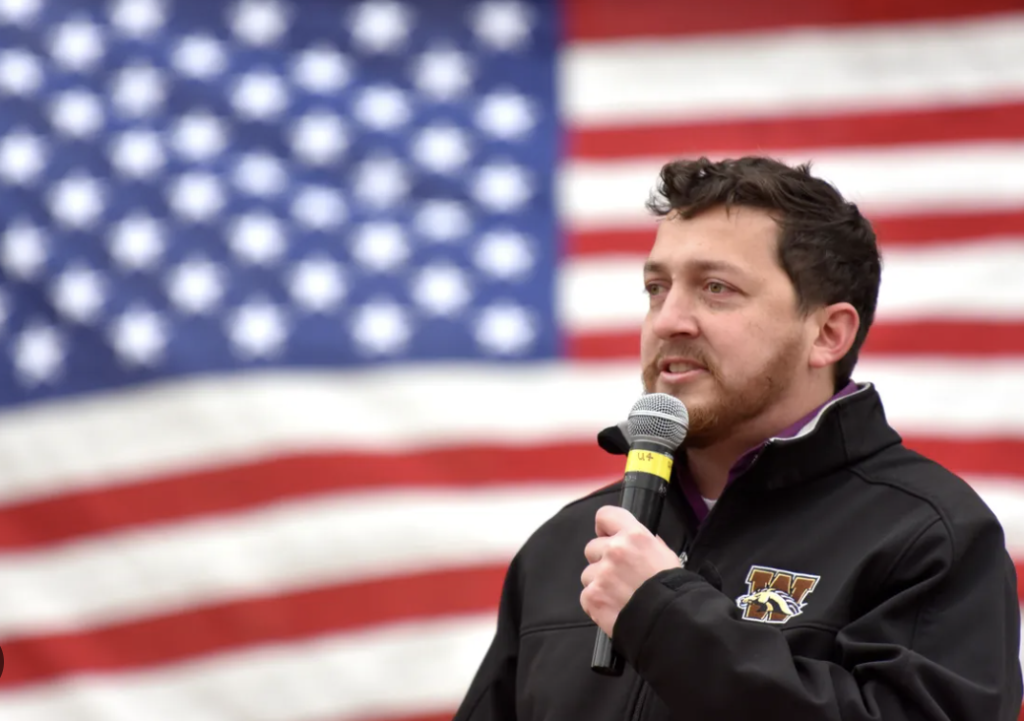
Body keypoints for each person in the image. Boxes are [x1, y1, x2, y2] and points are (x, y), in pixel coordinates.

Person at [452, 156, 1023, 720]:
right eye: (656, 288)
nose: (668, 320)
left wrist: (667, 618)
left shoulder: (927, 536)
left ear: (827, 333)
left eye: (716, 287)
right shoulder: (564, 545)